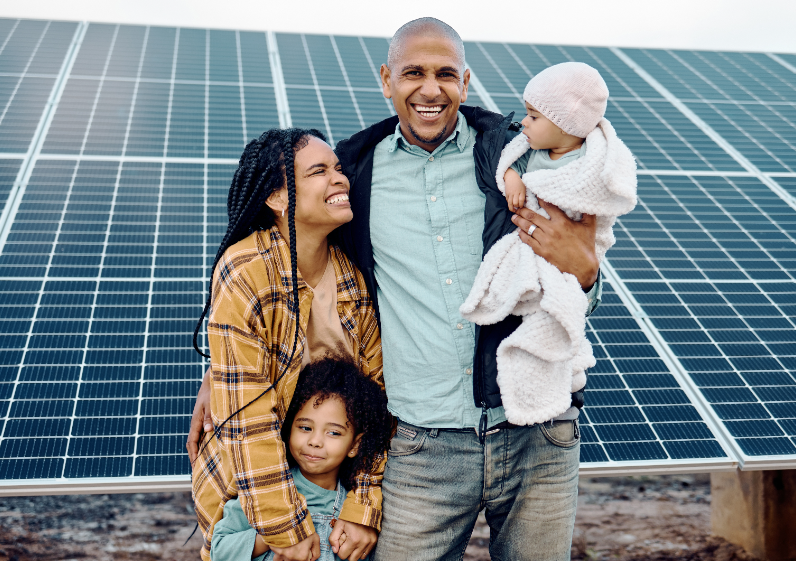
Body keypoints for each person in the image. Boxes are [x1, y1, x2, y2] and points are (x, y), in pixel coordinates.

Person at [189, 18, 603, 561]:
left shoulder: (516, 158)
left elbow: (573, 263)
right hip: (420, 448)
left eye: (445, 74)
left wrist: (587, 275)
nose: (430, 89)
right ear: (387, 80)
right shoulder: (355, 173)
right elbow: (287, 276)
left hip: (537, 432)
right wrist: (221, 372)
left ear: (465, 82)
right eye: (413, 73)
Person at [190, 128, 385, 561]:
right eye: (318, 171)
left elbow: (377, 401)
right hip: (249, 497)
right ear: (277, 198)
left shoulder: (353, 278)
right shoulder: (246, 271)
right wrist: (284, 530)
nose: (339, 178)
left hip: (332, 485)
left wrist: (363, 505)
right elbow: (248, 420)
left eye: (338, 168)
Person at [460, 62, 637, 426]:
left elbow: (598, 206)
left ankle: (564, 368)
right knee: (541, 302)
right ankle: (552, 363)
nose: (524, 124)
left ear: (565, 125)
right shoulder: (530, 151)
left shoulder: (589, 162)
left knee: (562, 308)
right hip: (529, 242)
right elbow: (508, 165)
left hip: (566, 247)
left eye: (534, 116)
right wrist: (512, 179)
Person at [211, 358, 393, 561]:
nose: (315, 441)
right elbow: (219, 550)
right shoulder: (263, 492)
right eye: (305, 428)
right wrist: (273, 537)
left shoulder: (355, 511)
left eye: (333, 432)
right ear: (289, 429)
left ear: (354, 446)